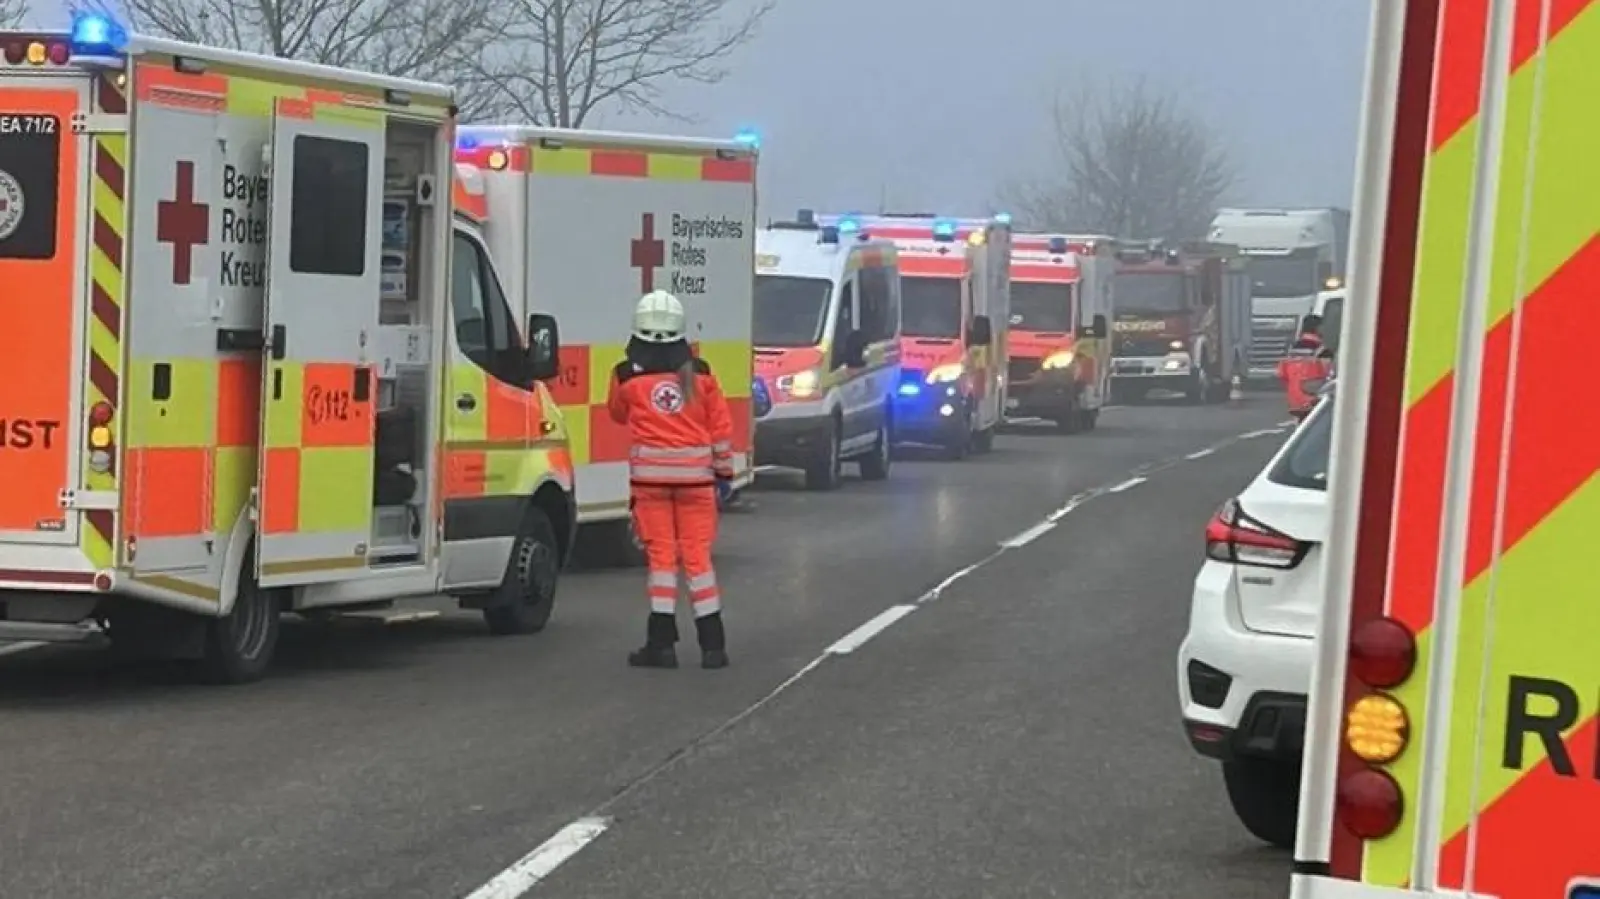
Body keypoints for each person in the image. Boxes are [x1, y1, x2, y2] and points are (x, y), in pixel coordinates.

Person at [607, 290, 735, 669]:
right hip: (697, 484)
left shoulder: (625, 376)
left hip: (650, 484)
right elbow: (722, 429)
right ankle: (713, 646)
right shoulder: (702, 376)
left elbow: (616, 414)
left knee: (662, 561)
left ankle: (660, 644)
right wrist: (724, 473)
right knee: (697, 559)